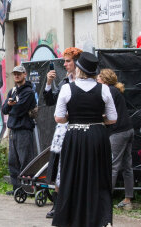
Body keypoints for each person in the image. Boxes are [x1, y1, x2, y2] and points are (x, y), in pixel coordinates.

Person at [52, 52, 117, 227]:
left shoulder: (67, 88)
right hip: (97, 136)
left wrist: (72, 117)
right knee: (99, 176)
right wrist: (96, 119)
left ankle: (71, 219)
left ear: (79, 69)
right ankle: (101, 219)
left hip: (75, 136)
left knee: (71, 175)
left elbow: (58, 118)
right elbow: (112, 119)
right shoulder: (104, 89)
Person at [43, 47, 82, 218]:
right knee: (59, 167)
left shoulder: (87, 81)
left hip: (80, 130)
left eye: (68, 61)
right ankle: (58, 205)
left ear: (77, 63)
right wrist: (49, 83)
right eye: (64, 61)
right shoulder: (65, 82)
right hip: (63, 130)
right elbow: (51, 100)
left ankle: (76, 205)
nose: (65, 64)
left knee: (75, 168)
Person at [98, 68, 134, 210]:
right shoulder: (116, 90)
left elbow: (107, 113)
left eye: (100, 77)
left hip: (118, 132)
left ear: (105, 80)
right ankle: (128, 199)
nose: (97, 79)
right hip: (128, 130)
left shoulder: (108, 91)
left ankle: (106, 199)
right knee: (127, 166)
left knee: (112, 165)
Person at [2, 65, 36, 195]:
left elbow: (19, 110)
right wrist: (10, 105)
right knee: (13, 161)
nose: (16, 76)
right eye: (15, 74)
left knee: (25, 161)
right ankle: (17, 189)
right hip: (13, 130)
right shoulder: (13, 91)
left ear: (24, 74)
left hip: (24, 129)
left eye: (19, 74)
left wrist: (12, 106)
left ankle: (27, 189)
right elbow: (5, 109)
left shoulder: (29, 92)